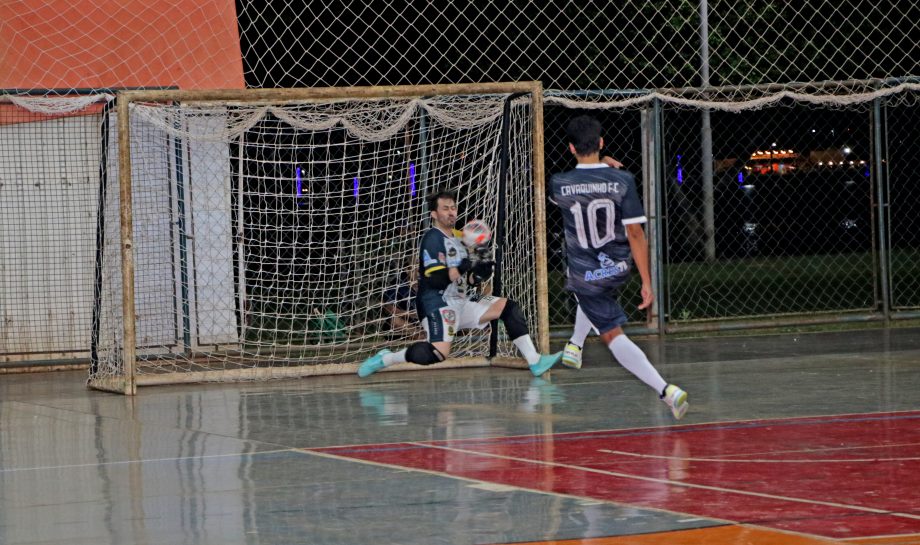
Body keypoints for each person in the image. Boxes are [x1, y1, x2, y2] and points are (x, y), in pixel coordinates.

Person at [549, 115, 689, 419]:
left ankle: (666, 391)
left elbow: (574, 190)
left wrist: (595, 172)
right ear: (601, 143)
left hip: (586, 272)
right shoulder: (623, 180)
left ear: (570, 147)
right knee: (592, 298)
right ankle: (575, 345)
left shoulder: (559, 183)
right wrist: (646, 280)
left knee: (612, 333)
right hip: (618, 266)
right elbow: (636, 233)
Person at [358, 190, 562, 378]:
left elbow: (471, 280)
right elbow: (434, 279)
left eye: (453, 208)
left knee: (508, 307)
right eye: (445, 208)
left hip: (462, 299)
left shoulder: (463, 238)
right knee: (437, 353)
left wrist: (482, 268)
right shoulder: (432, 238)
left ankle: (535, 362)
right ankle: (386, 358)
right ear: (434, 215)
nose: (451, 212)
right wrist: (464, 265)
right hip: (437, 302)